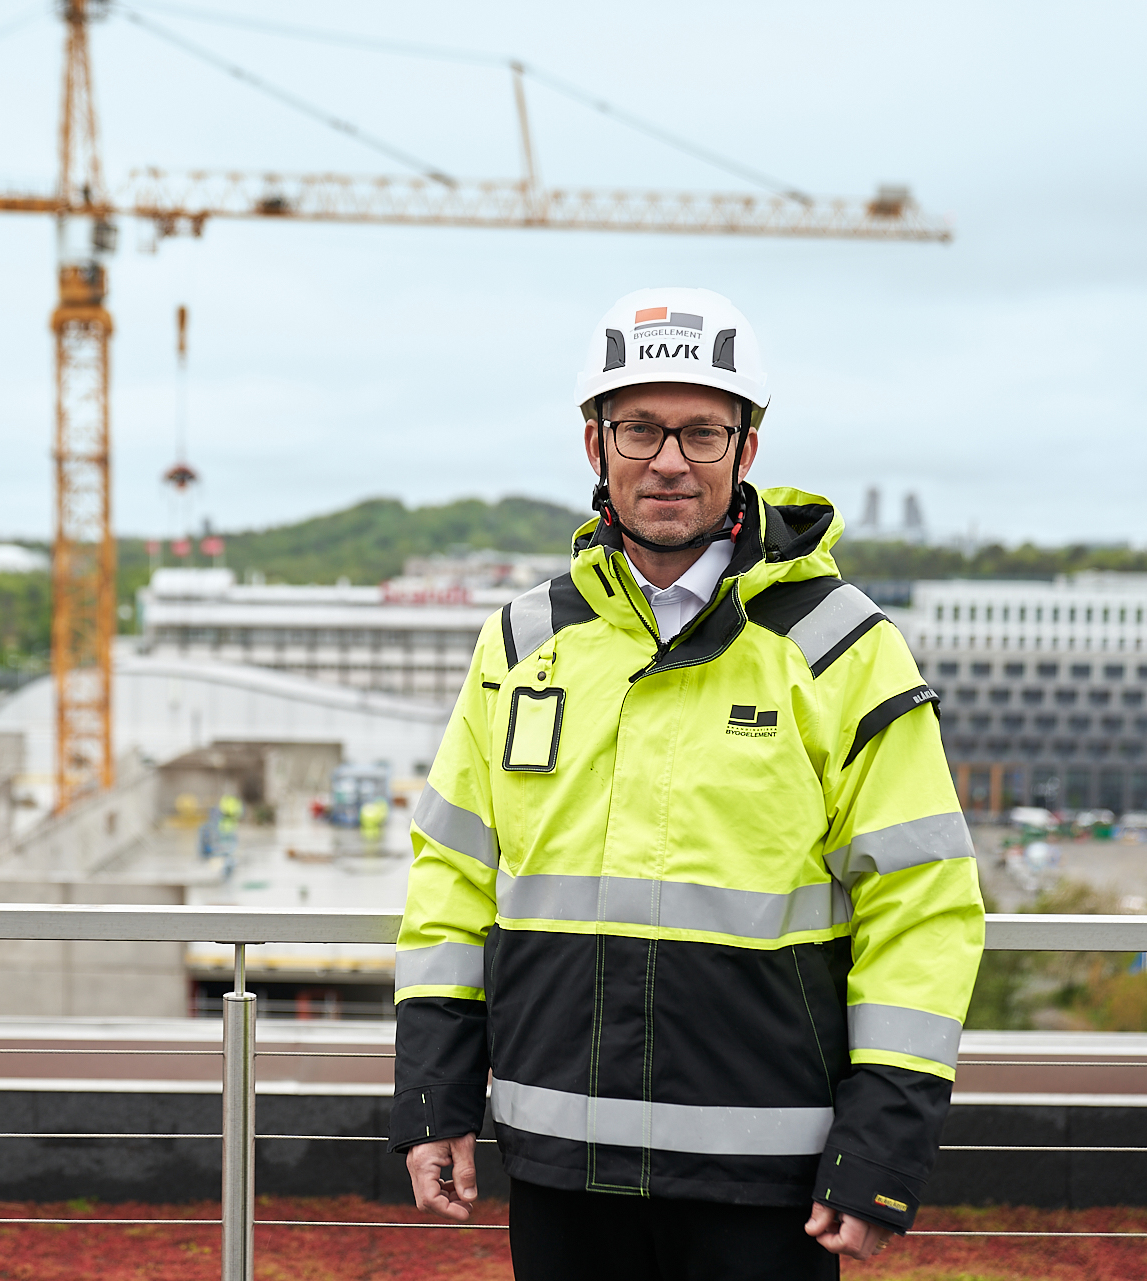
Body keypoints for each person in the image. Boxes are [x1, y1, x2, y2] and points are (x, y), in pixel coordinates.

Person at [390, 287, 984, 1279]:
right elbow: (449, 878)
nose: (667, 460)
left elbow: (920, 907)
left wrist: (880, 1143)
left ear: (745, 450)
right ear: (594, 446)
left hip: (765, 1177)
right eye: (637, 428)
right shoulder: (522, 645)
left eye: (701, 431)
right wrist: (433, 1101)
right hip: (558, 1167)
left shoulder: (840, 650)